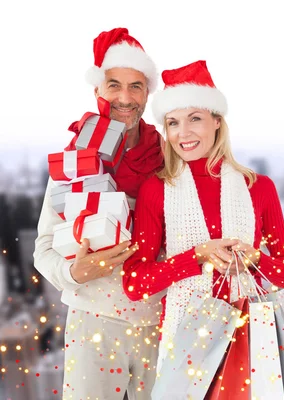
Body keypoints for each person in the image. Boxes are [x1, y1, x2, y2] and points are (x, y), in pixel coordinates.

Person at [122, 59, 284, 372]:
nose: (183, 133)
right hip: (186, 342)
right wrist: (197, 256)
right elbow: (136, 283)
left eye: (195, 119)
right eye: (173, 123)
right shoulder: (156, 189)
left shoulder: (258, 187)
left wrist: (256, 259)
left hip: (248, 338)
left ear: (216, 121)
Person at [33, 27, 165, 399]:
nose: (125, 97)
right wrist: (75, 272)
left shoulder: (169, 157)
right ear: (97, 91)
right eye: (113, 85)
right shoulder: (74, 159)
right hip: (93, 322)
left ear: (147, 92)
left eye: (135, 86)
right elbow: (44, 247)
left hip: (160, 323)